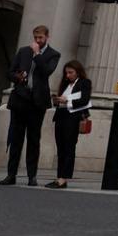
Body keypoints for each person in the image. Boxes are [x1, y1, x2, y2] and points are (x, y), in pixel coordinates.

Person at [0, 23, 60, 186]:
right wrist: (17, 77)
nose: (38, 40)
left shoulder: (53, 54)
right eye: (35, 38)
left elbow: (47, 71)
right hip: (20, 98)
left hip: (37, 102)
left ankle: (31, 176)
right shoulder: (23, 51)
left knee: (34, 139)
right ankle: (11, 175)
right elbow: (10, 72)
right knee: (16, 138)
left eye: (41, 38)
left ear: (47, 37)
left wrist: (37, 53)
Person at [47, 60, 92, 188]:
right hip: (61, 116)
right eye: (66, 73)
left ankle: (64, 178)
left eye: (71, 72)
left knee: (69, 148)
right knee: (60, 148)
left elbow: (84, 100)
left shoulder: (84, 83)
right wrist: (57, 100)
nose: (68, 75)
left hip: (73, 118)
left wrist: (67, 101)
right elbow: (61, 99)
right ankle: (59, 177)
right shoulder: (65, 84)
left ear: (78, 72)